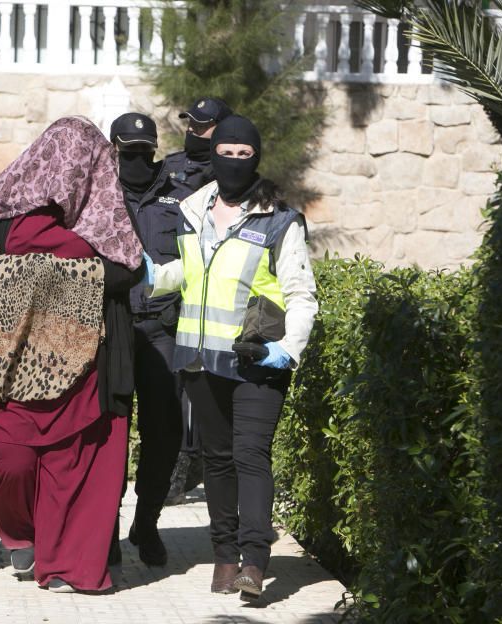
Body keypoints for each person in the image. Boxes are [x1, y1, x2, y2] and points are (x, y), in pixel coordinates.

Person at [0, 117, 145, 593]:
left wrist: (39, 265)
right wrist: (70, 259)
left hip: (86, 364)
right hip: (10, 364)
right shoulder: (0, 211)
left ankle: (67, 566)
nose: (67, 171)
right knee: (12, 462)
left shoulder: (106, 214)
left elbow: (125, 272)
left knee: (74, 467)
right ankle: (21, 536)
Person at [146, 114, 318, 599]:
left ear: (257, 159)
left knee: (250, 456)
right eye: (228, 153)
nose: (236, 162)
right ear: (214, 153)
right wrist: (148, 275)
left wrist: (289, 347)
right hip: (202, 359)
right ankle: (224, 557)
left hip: (257, 360)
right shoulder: (193, 211)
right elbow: (191, 272)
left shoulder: (279, 219)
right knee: (216, 460)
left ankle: (254, 561)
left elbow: (301, 293)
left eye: (246, 155)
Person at [108, 112, 183, 567]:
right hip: (112, 327)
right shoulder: (98, 194)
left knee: (165, 432)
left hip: (161, 328)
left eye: (144, 149)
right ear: (113, 148)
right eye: (127, 150)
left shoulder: (180, 197)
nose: (137, 158)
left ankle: (147, 522)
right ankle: (106, 527)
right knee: (110, 432)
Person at [161, 97, 233, 504]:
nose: (193, 130)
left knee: (198, 391)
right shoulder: (169, 168)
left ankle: (190, 465)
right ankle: (176, 464)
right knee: (170, 390)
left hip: (208, 297)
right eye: (191, 123)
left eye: (203, 126)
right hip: (166, 290)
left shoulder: (231, 176)